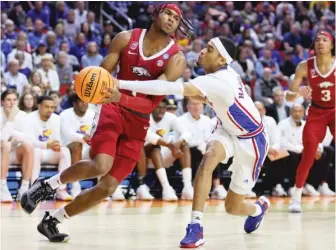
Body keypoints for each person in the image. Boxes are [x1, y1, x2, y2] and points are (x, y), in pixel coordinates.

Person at [21, 3, 192, 242]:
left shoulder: (176, 59)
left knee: (109, 187)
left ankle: (54, 220)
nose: (172, 19)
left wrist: (120, 93)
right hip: (112, 109)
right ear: (155, 14)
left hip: (139, 120)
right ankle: (48, 185)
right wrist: (89, 85)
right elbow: (101, 74)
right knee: (101, 165)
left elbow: (150, 105)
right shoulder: (125, 38)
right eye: (168, 13)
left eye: (177, 17)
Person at [116, 36, 270, 247]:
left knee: (232, 207)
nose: (203, 51)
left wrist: (120, 84)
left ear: (221, 60)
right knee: (208, 158)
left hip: (252, 141)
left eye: (210, 49)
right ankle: (195, 227)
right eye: (205, 46)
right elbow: (206, 96)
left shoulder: (217, 81)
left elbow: (165, 88)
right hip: (226, 129)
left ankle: (258, 208)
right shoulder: (221, 74)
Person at [285, 30, 335, 213]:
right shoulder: (304, 66)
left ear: (332, 45)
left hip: (335, 110)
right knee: (308, 155)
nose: (320, 42)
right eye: (318, 40)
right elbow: (289, 98)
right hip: (316, 112)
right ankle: (296, 197)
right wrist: (299, 93)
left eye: (325, 40)